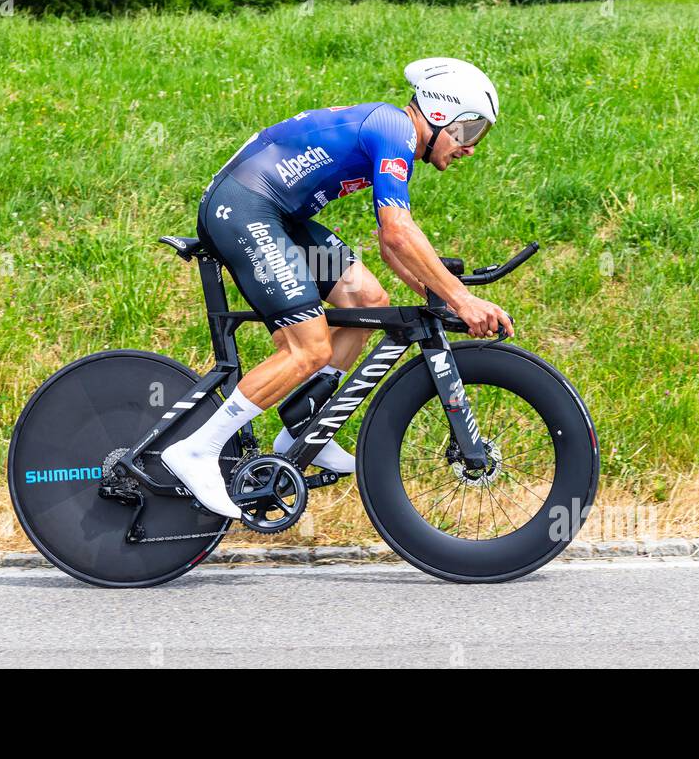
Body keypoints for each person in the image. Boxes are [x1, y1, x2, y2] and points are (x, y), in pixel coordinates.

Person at [162, 58, 515, 517]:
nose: (470, 148)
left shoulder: (394, 136)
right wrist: (461, 298)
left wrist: (437, 291)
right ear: (440, 113)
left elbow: (394, 251)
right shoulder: (395, 129)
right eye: (469, 132)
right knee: (307, 349)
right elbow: (397, 232)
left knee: (369, 301)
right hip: (245, 208)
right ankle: (197, 450)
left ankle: (301, 427)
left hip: (278, 217)